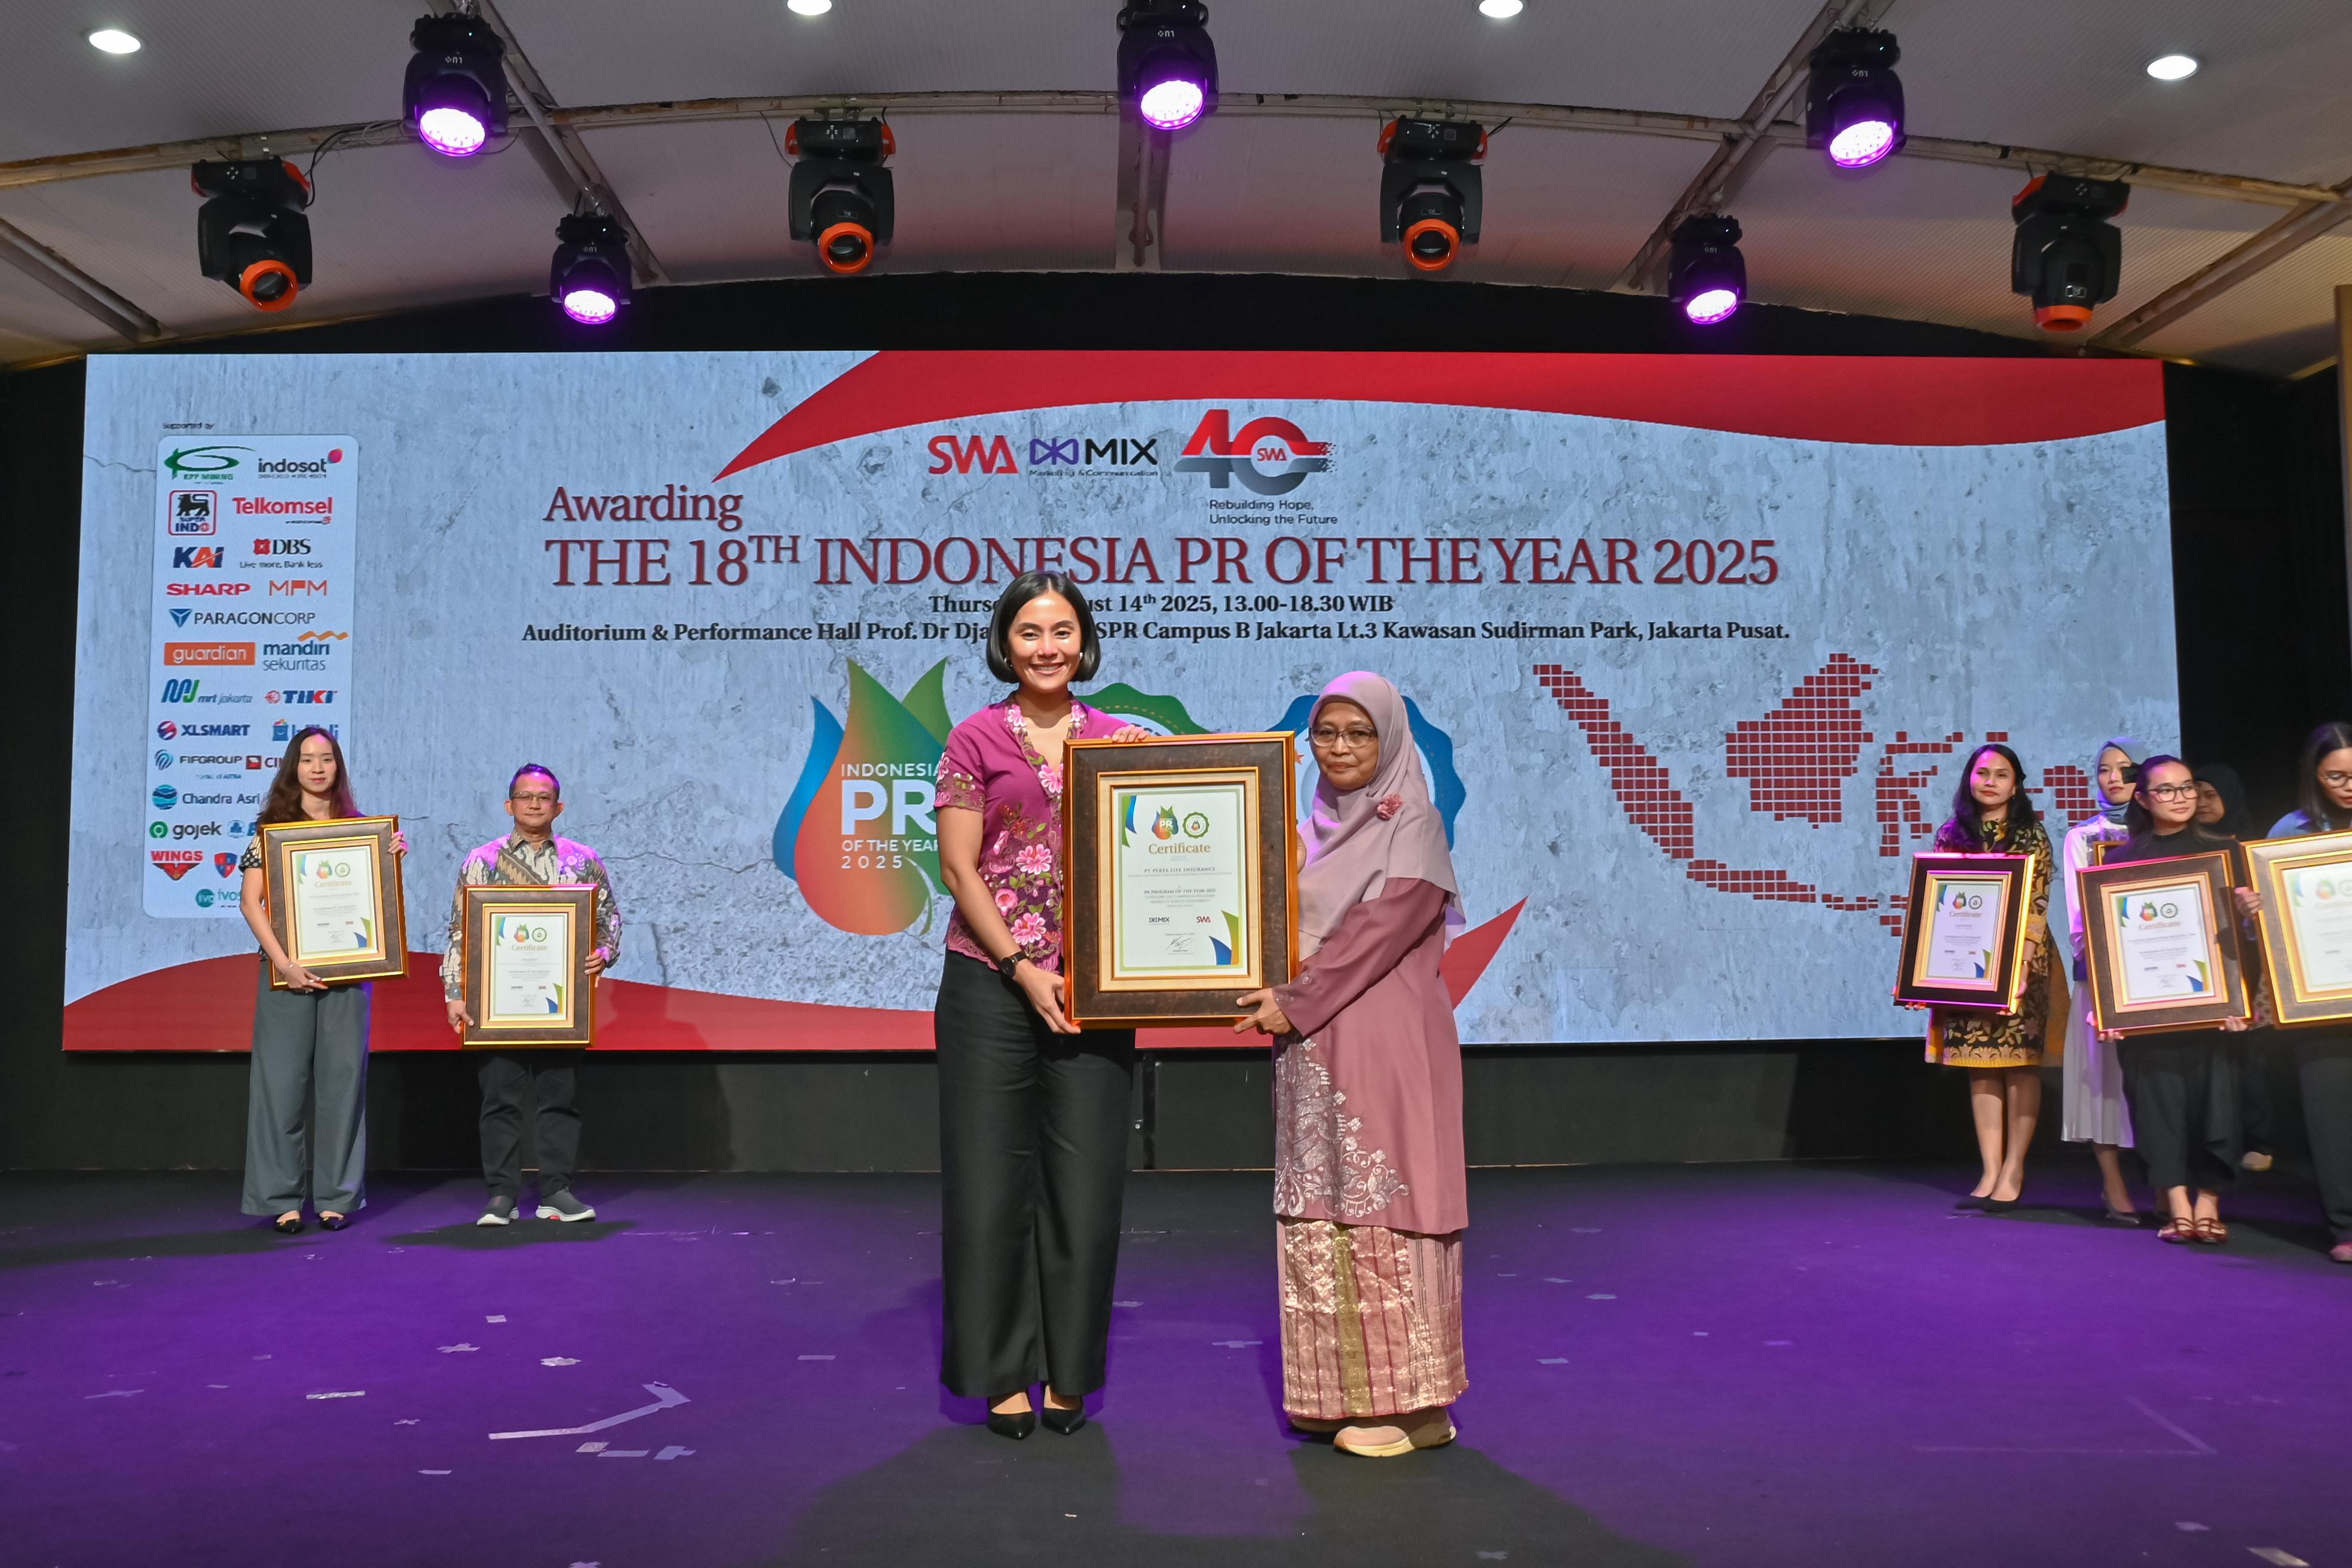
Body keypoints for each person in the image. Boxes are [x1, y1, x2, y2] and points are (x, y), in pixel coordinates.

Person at [933, 572, 1149, 1439]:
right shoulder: (975, 737)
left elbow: (1193, 825)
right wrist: (1022, 967)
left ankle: (1070, 1371)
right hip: (990, 983)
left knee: (1086, 1188)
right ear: (1006, 644)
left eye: (1062, 630)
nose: (1047, 647)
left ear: (1084, 641)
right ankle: (1001, 1373)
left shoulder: (1123, 738)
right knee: (989, 1185)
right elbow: (960, 869)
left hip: (1098, 985)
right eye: (1029, 632)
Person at [1235, 672, 1467, 1459]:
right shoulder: (1304, 830)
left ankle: (1416, 1407)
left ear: (1390, 738)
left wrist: (1296, 999)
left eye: (1359, 732)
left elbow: (1379, 931)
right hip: (1312, 1045)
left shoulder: (1414, 825)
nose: (1339, 748)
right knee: (1322, 1210)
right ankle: (1339, 1396)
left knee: (1388, 1208)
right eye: (1326, 733)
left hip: (1383, 1045)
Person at [235, 726, 405, 1234]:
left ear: (338, 766)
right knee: (279, 1087)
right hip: (284, 973)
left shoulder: (362, 831)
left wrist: (389, 860)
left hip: (349, 974)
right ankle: (281, 1199)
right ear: (294, 767)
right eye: (308, 759)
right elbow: (250, 902)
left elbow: (375, 901)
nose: (317, 768)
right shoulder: (272, 830)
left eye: (326, 759)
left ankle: (337, 1197)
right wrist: (285, 964)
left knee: (343, 1087)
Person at [441, 764, 622, 1226]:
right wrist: (455, 992)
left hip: (560, 1005)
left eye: (544, 797)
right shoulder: (482, 861)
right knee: (499, 1099)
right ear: (510, 805)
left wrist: (603, 954)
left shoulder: (582, 861)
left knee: (558, 1098)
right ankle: (502, 1195)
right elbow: (460, 930)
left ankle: (556, 1191)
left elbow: (610, 921)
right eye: (526, 797)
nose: (535, 804)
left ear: (559, 807)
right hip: (496, 1002)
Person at [2100, 756, 2252, 1245]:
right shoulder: (2121, 861)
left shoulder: (2227, 853)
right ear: (2143, 799)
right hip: (2149, 1011)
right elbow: (2109, 945)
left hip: (2215, 1008)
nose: (2182, 797)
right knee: (2156, 1104)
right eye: (2166, 790)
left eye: (2188, 787)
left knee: (2218, 1105)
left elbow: (2247, 940)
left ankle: (2209, 1202)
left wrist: (2250, 915)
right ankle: (2178, 1206)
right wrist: (2111, 1005)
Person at [1925, 743, 2053, 1211]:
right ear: (1969, 780)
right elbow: (1936, 906)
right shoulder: (1951, 834)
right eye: (1982, 773)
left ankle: (2014, 1168)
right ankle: (1990, 1169)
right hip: (1967, 967)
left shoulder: (2031, 835)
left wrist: (2021, 966)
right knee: (1980, 1067)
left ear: (2015, 785)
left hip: (2022, 964)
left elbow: (2037, 903)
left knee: (2019, 1066)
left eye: (2001, 775)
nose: (1991, 782)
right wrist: (1928, 969)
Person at [2266, 722, 2352, 1263]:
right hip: (2320, 1000)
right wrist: (2255, 909)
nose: (2348, 786)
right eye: (2335, 777)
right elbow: (2273, 920)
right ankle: (2345, 1224)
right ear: (2314, 776)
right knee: (2332, 1118)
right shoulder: (2291, 832)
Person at [2060, 737, 2146, 1223]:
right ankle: (2114, 1185)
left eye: (2125, 769)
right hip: (2100, 974)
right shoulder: (2084, 837)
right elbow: (2079, 915)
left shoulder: (2161, 831)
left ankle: (2168, 1182)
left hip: (2154, 976)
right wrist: (2099, 962)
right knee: (2104, 1080)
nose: (2113, 778)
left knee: (2153, 1084)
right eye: (2104, 769)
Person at [2197, 764, 2276, 1171]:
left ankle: (2260, 1141)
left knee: (2252, 1056)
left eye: (2211, 794)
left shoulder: (2252, 849)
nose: (2201, 802)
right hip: (2202, 968)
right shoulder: (2186, 848)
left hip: (2252, 964)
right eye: (2195, 792)